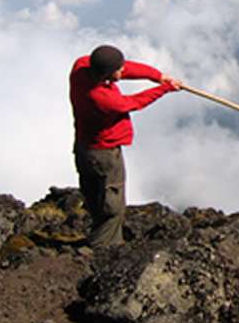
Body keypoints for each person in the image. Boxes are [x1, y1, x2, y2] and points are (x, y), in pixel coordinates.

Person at [69, 44, 180, 248]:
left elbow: (125, 68)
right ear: (106, 74)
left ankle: (100, 234)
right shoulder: (103, 99)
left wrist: (157, 76)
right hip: (104, 154)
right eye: (118, 70)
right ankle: (104, 248)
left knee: (94, 196)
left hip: (83, 147)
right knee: (113, 206)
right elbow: (133, 102)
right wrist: (164, 89)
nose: (123, 71)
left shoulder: (81, 67)